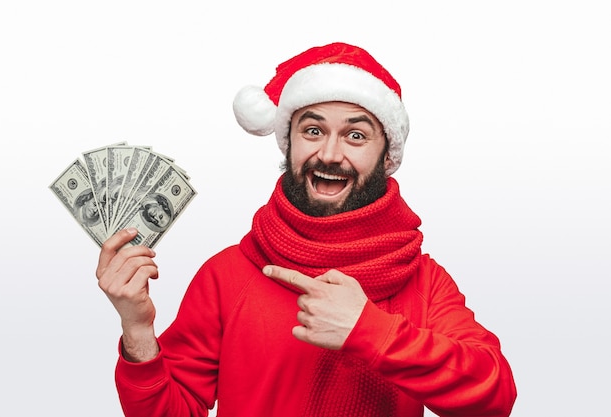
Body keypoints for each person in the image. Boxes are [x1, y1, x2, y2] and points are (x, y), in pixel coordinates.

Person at [96, 42, 517, 417]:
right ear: (289, 143)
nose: (329, 154)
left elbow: (493, 397)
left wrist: (370, 331)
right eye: (313, 131)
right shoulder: (227, 275)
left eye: (355, 135)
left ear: (387, 156)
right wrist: (137, 331)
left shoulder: (422, 281)